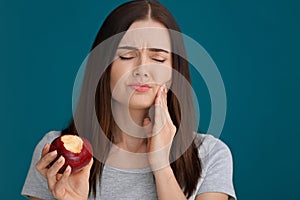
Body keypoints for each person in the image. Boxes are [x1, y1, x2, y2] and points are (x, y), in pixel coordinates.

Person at [21, 0, 236, 199]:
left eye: (158, 58)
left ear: (174, 71)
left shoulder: (210, 155)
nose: (142, 69)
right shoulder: (54, 155)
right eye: (126, 56)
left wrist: (161, 165)